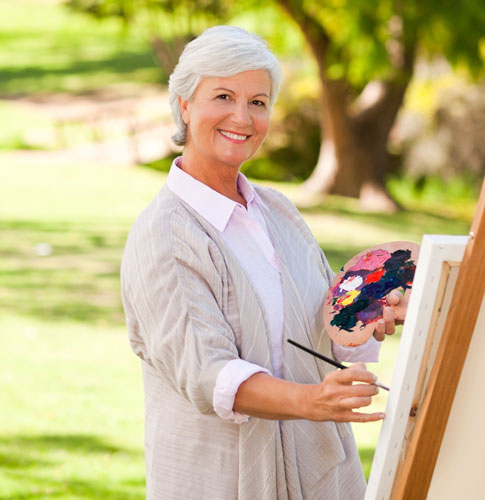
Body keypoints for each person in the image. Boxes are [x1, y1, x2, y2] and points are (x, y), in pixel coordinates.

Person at [120, 25, 407, 500]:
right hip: (221, 479)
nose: (243, 116)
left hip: (318, 471)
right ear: (185, 104)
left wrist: (369, 311)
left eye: (258, 102)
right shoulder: (164, 235)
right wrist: (311, 400)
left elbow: (326, 318)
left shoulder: (278, 211)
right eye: (224, 96)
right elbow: (208, 372)